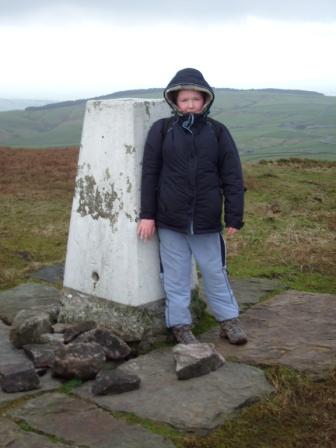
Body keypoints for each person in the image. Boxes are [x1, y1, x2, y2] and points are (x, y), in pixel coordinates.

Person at [137, 68, 247, 345]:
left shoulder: (217, 132)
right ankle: (180, 326)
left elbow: (232, 176)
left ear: (205, 101)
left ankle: (228, 321)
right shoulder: (162, 130)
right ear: (175, 101)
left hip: (207, 220)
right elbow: (150, 174)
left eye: (194, 99)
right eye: (183, 100)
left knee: (214, 272)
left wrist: (234, 216)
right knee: (174, 275)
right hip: (169, 220)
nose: (189, 105)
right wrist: (147, 215)